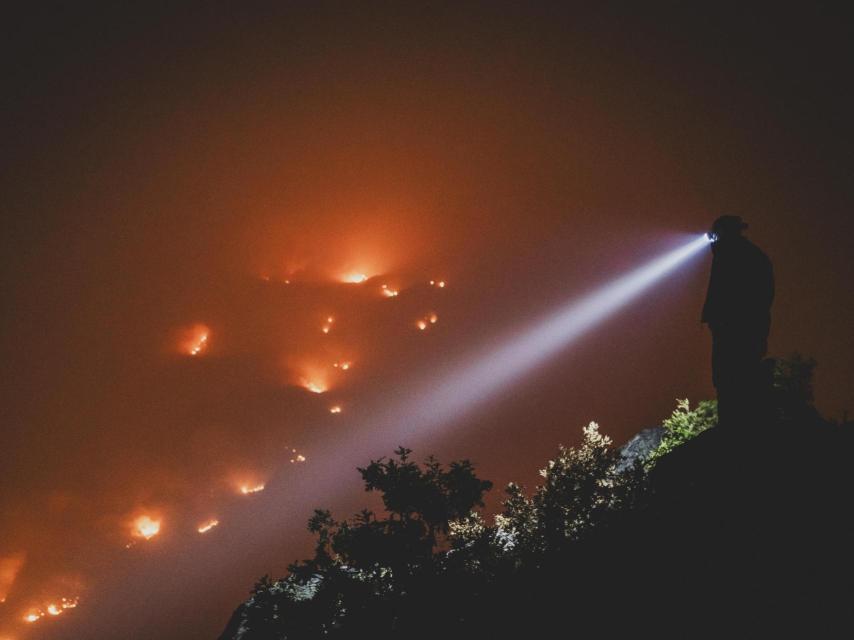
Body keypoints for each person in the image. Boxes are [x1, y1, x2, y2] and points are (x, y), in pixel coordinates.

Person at [702, 215, 774, 427]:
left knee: (728, 376)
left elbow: (722, 289)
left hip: (731, 327)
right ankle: (744, 425)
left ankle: (733, 429)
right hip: (751, 327)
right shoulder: (755, 255)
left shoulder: (729, 255)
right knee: (742, 373)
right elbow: (766, 293)